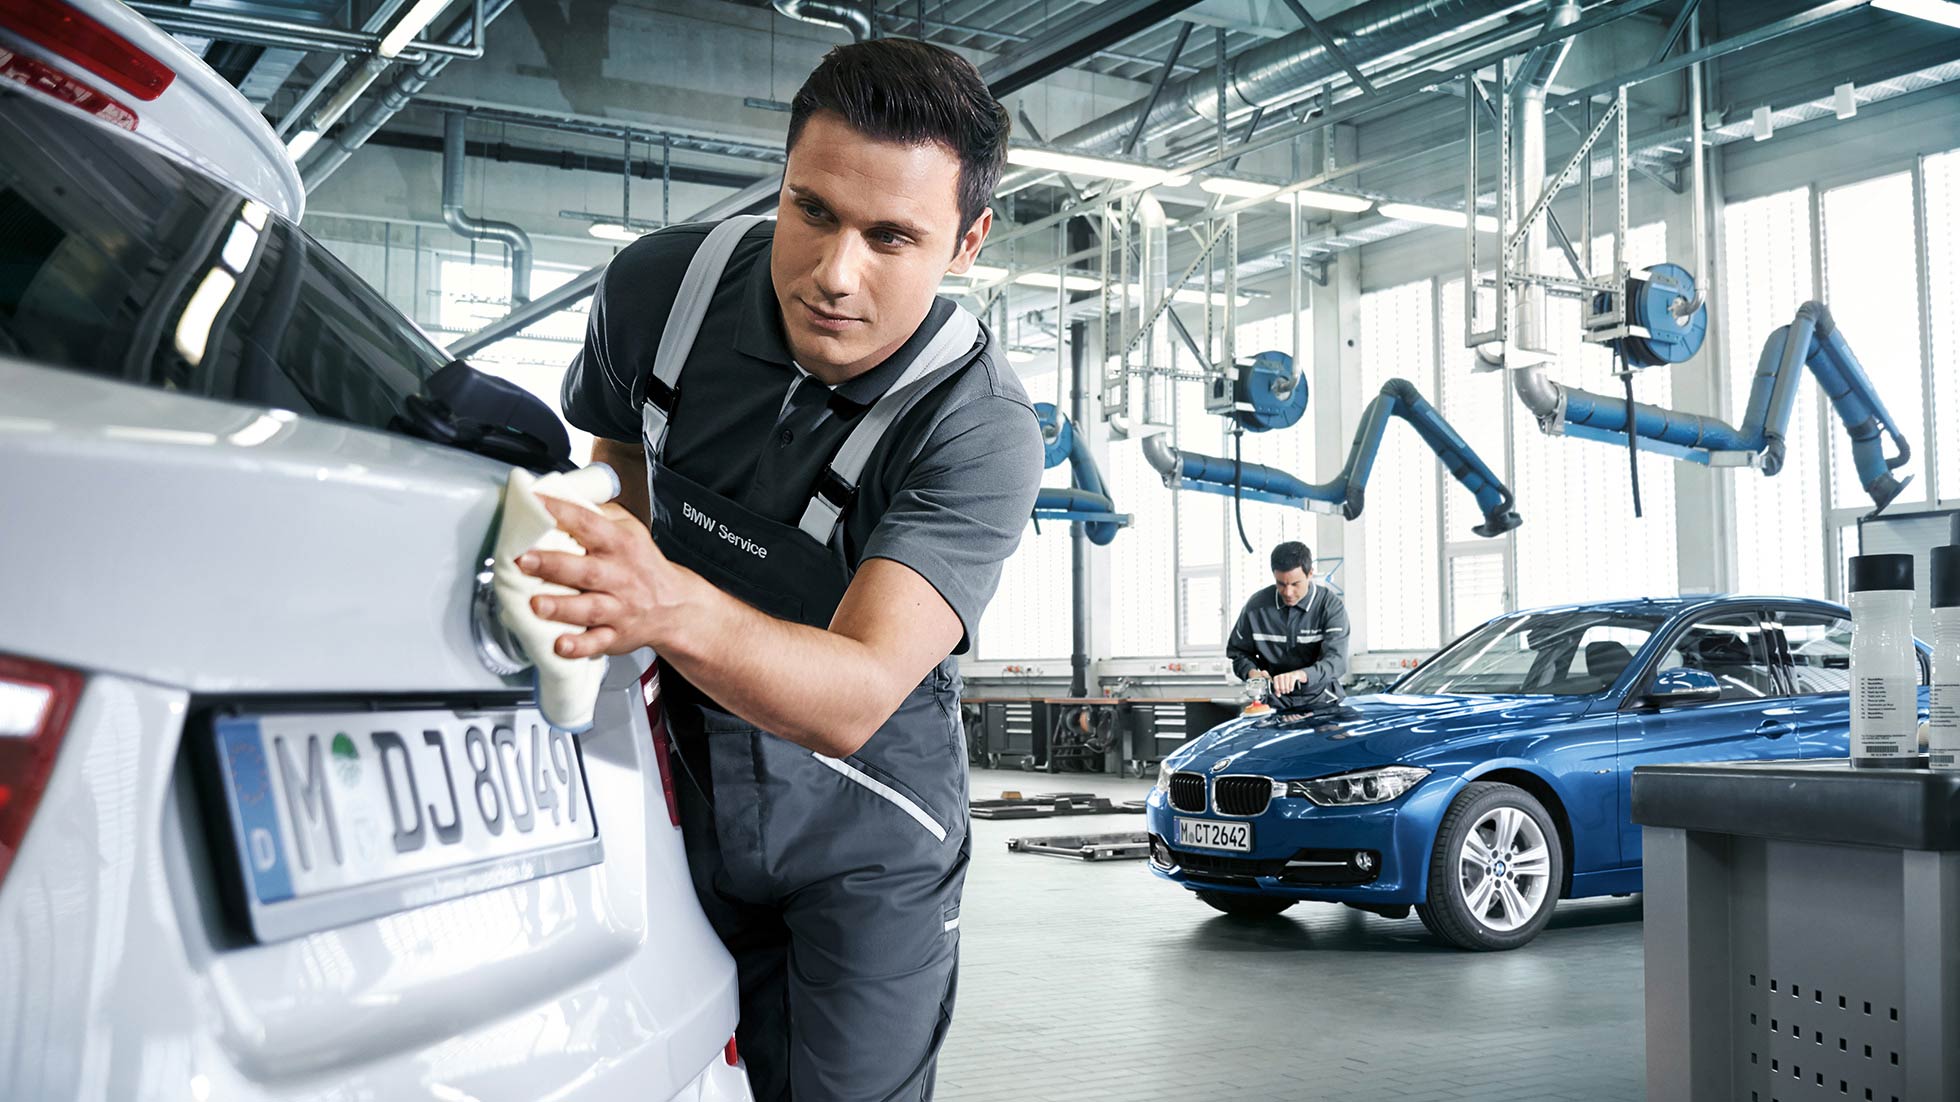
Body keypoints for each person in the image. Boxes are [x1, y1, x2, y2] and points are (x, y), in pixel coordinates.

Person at [515, 39, 1043, 1100]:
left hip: (866, 827)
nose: (835, 274)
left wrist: (664, 601)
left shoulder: (977, 428)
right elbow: (615, 462)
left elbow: (852, 694)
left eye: (893, 236)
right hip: (679, 774)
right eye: (812, 211)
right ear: (783, 176)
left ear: (968, 241)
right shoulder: (655, 291)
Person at [1227, 541, 1350, 710]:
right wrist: (1253, 673)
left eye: (1295, 584)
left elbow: (1336, 661)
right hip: (1273, 703)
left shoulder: (1330, 607)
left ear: (1310, 574)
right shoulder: (1256, 607)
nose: (1288, 592)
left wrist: (1301, 675)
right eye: (1281, 584)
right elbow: (1238, 653)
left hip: (1322, 700)